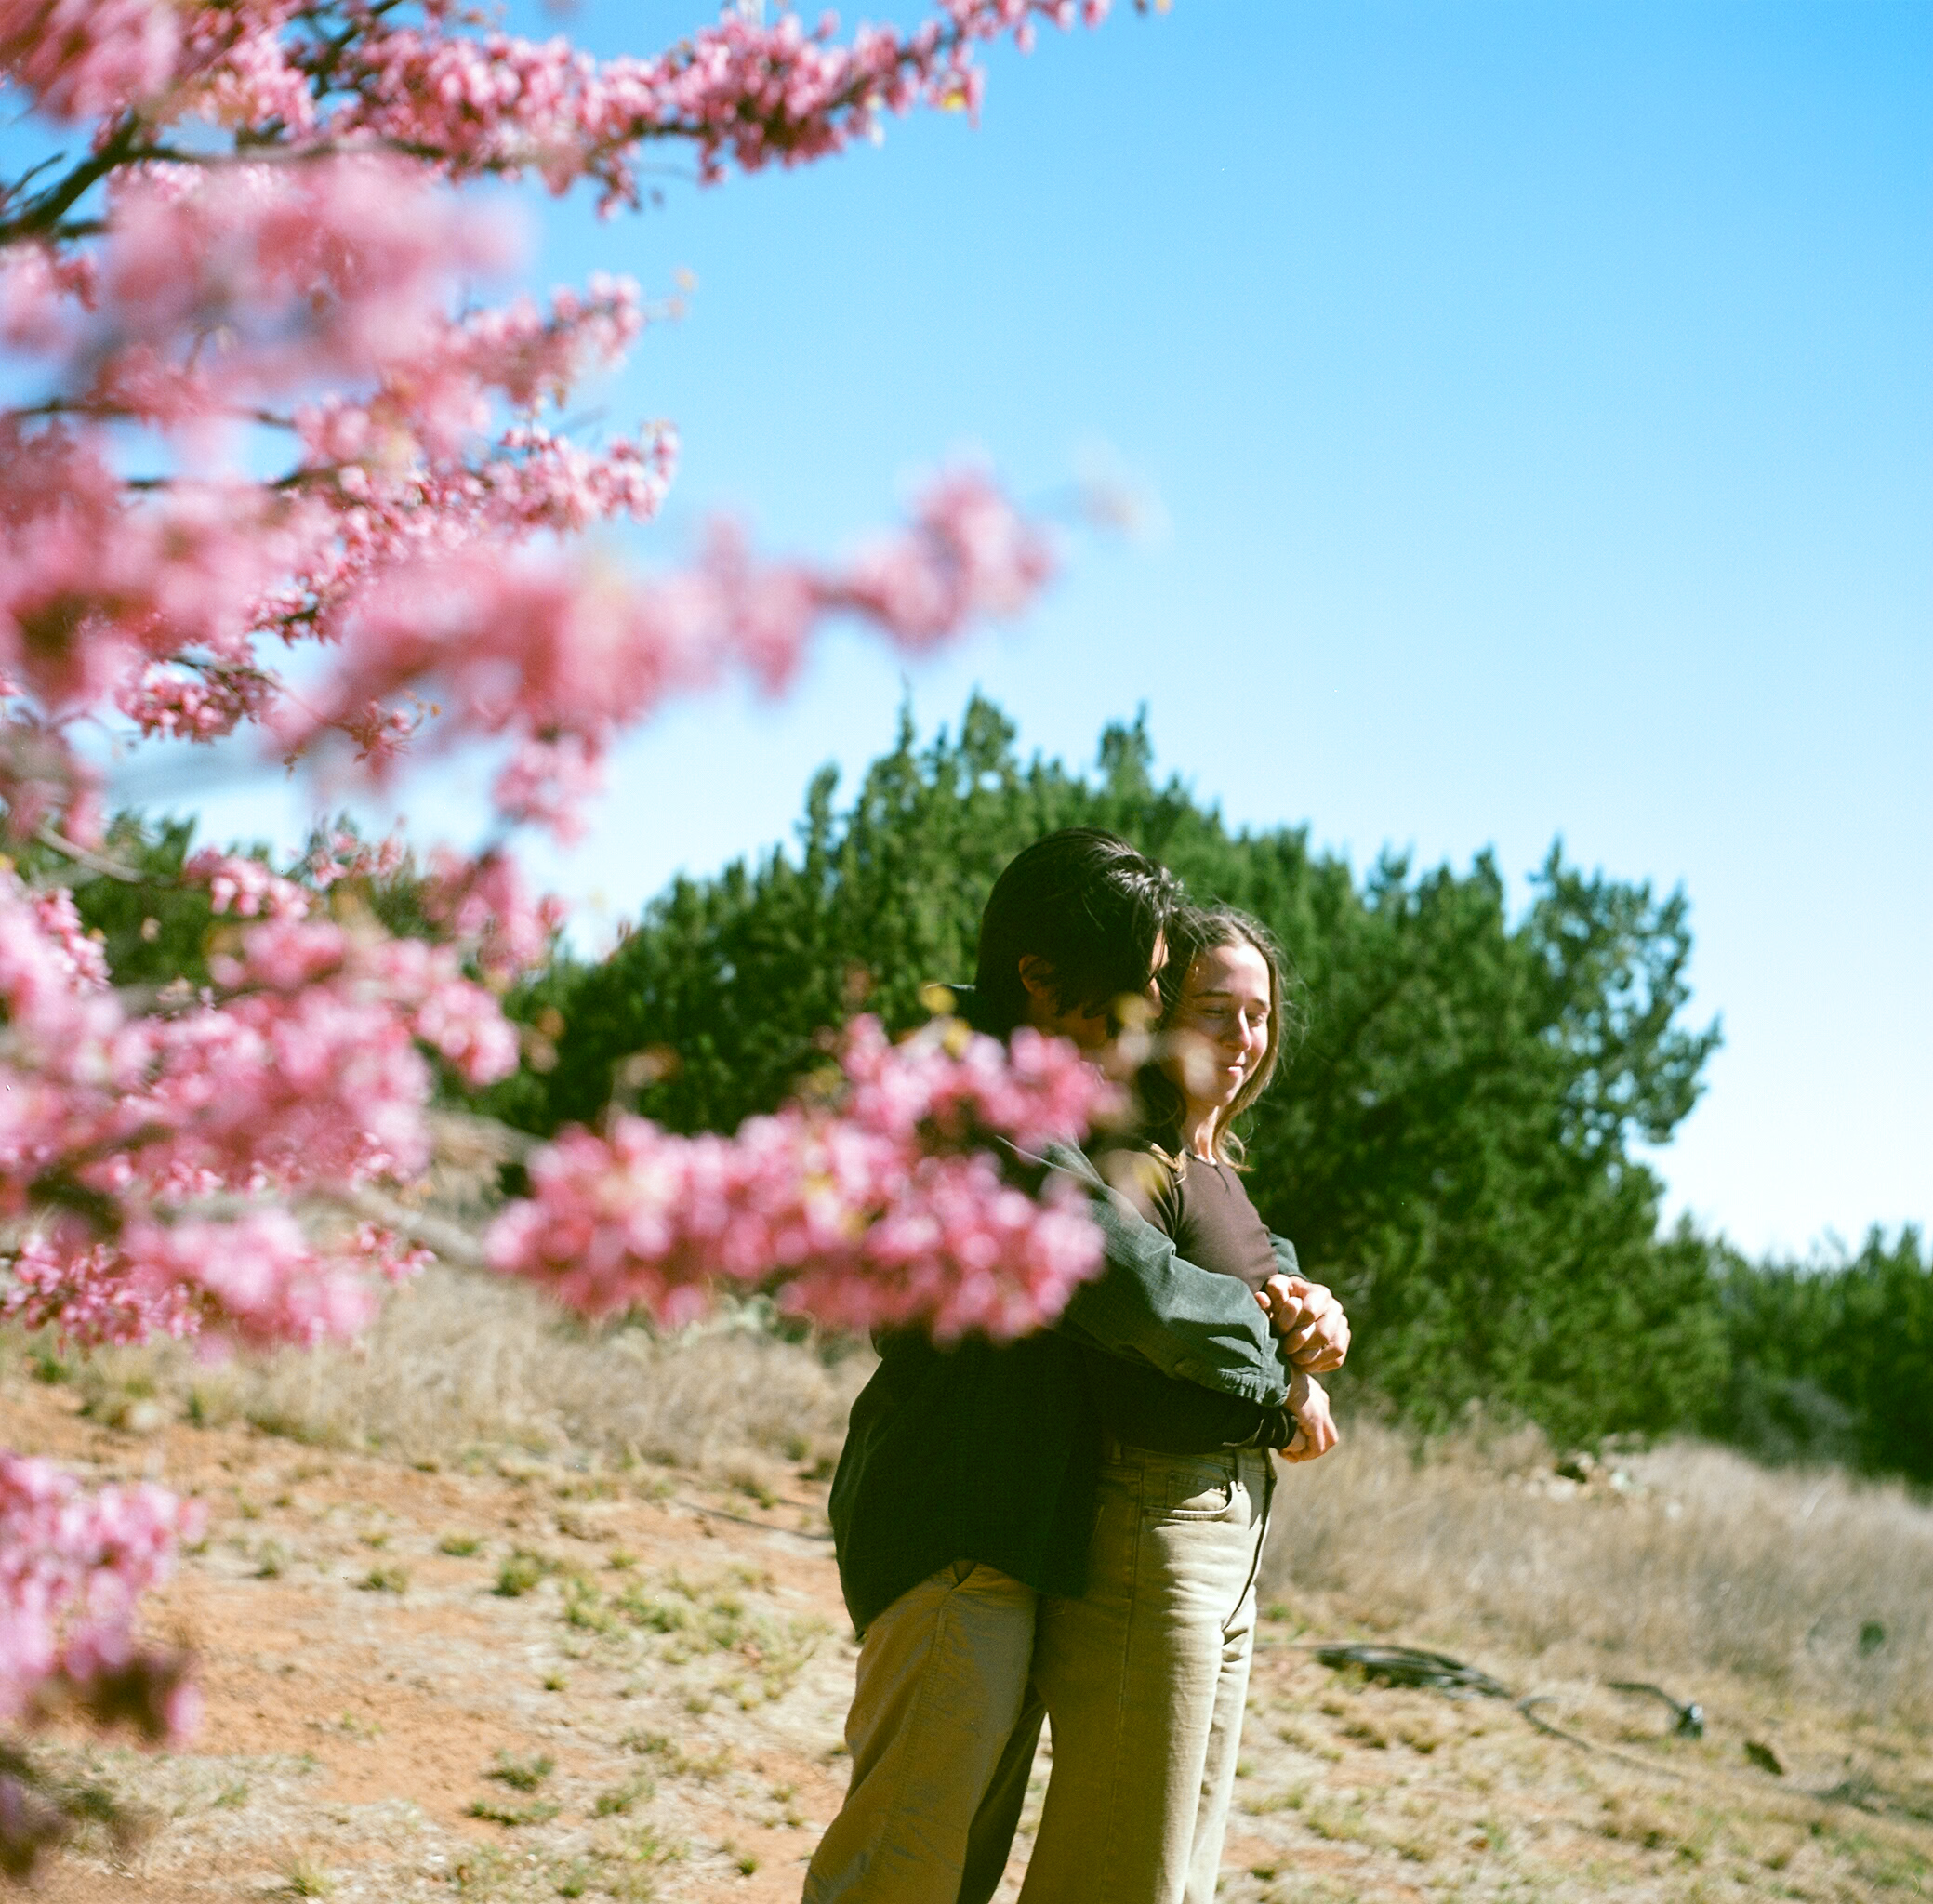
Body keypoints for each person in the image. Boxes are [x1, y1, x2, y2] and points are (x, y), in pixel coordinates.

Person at [804, 832, 1348, 1904]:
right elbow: (1135, 1282)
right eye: (1142, 987)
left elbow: (1202, 1206)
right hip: (956, 1510)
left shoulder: (1041, 1083)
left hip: (1008, 1524)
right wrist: (1278, 1363)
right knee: (901, 1867)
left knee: (945, 1867)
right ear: (1041, 977)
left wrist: (1289, 1286)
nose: (1150, 1014)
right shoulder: (978, 1107)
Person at [1019, 904, 1330, 1904]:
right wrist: (1286, 1380)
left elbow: (1257, 1298)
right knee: (1122, 1871)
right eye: (1215, 1009)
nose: (1243, 1039)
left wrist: (1318, 1326)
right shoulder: (1132, 1154)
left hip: (1234, 1537)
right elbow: (1148, 1313)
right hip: (1155, 1528)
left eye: (1259, 1015)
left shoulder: (1217, 1170)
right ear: (1159, 1012)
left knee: (1177, 1873)